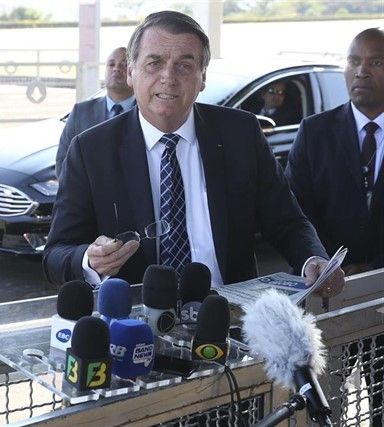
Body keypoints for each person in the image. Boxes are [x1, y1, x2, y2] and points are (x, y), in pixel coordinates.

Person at [43, 11, 344, 296]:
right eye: (154, 63)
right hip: (134, 327)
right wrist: (90, 260)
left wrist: (312, 258)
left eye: (185, 66)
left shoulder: (240, 133)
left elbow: (287, 221)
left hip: (228, 318)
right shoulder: (91, 150)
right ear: (131, 72)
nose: (168, 78)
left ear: (202, 78)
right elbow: (56, 255)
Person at [285, 27, 384, 425]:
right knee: (328, 411)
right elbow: (293, 215)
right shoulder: (315, 131)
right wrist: (324, 265)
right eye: (353, 60)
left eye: (376, 62)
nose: (361, 71)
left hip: (382, 296)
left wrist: (372, 271)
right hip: (328, 302)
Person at [55, 47, 136, 178]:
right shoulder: (80, 112)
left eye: (124, 64)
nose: (116, 68)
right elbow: (63, 162)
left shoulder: (147, 113)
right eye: (111, 64)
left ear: (134, 72)